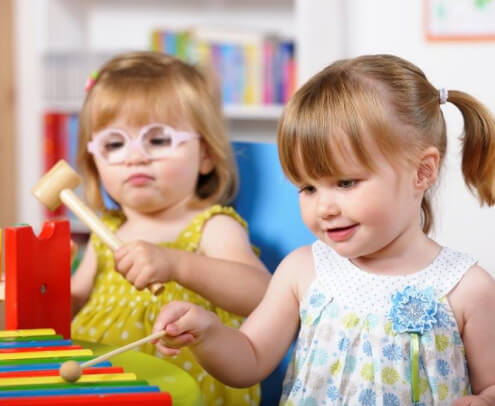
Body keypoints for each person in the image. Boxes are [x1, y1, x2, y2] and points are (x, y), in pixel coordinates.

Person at [151, 54, 495, 405]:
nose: (324, 208)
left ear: (422, 172)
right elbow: (250, 357)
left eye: (345, 183)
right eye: (308, 188)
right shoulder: (303, 271)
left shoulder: (467, 288)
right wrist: (207, 333)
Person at [70, 51, 270, 406]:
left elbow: (262, 296)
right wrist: (44, 281)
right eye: (114, 144)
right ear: (94, 161)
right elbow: (71, 302)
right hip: (98, 388)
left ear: (206, 155)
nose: (135, 157)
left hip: (181, 394)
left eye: (158, 140)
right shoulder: (105, 232)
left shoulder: (210, 226)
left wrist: (177, 264)